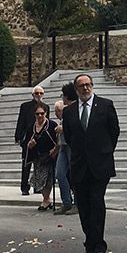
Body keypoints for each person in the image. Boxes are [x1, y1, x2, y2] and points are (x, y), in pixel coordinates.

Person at [62, 73, 121, 253]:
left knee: (96, 202)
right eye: (81, 86)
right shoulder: (69, 111)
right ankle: (89, 244)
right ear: (76, 90)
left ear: (92, 86)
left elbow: (114, 131)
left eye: (88, 85)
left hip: (100, 165)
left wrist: (104, 151)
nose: (85, 89)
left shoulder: (105, 105)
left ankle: (99, 247)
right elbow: (70, 137)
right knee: (84, 206)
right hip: (79, 165)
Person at [25, 101, 58, 211]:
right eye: (37, 114)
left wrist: (54, 151)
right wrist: (30, 145)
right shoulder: (31, 127)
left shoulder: (52, 125)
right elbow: (27, 142)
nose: (40, 116)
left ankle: (46, 200)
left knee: (46, 179)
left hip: (49, 156)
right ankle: (47, 199)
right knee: (38, 180)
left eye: (42, 113)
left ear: (46, 113)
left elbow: (58, 140)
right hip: (37, 157)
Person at [15, 86, 47, 195]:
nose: (39, 95)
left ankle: (37, 186)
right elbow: (21, 121)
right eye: (37, 93)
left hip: (40, 139)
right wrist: (18, 136)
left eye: (41, 93)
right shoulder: (25, 106)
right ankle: (24, 187)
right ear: (33, 94)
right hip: (28, 138)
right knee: (26, 164)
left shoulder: (45, 107)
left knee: (38, 164)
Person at [53, 82, 78, 216]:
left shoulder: (75, 109)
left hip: (71, 145)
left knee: (74, 174)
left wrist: (63, 128)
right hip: (63, 145)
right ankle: (66, 202)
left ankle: (77, 203)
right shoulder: (67, 110)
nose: (62, 98)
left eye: (63, 95)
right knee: (60, 173)